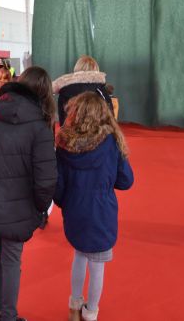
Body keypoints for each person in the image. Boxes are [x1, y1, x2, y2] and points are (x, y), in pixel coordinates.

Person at [0, 66, 57, 321]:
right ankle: (7, 316)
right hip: (18, 207)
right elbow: (46, 180)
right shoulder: (40, 127)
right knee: (10, 260)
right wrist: (41, 209)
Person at [54, 91, 134, 321]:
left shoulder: (64, 143)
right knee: (97, 265)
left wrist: (66, 203)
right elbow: (126, 180)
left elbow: (58, 185)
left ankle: (74, 306)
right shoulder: (112, 142)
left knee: (79, 254)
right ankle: (90, 313)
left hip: (74, 210)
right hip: (101, 212)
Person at [53, 55, 114, 126]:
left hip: (71, 132)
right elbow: (109, 114)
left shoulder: (64, 90)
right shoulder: (100, 88)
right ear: (96, 71)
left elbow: (62, 117)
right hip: (96, 132)